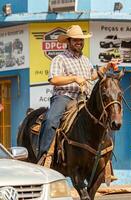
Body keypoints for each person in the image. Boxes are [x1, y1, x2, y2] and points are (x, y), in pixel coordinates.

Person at [38, 25, 119, 161]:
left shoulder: (85, 60)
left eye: (81, 40)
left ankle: (106, 160)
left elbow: (92, 76)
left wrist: (107, 66)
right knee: (51, 120)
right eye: (75, 40)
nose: (79, 43)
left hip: (84, 98)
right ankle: (45, 156)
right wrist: (74, 78)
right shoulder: (60, 59)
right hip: (64, 97)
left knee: (106, 119)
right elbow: (54, 79)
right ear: (68, 41)